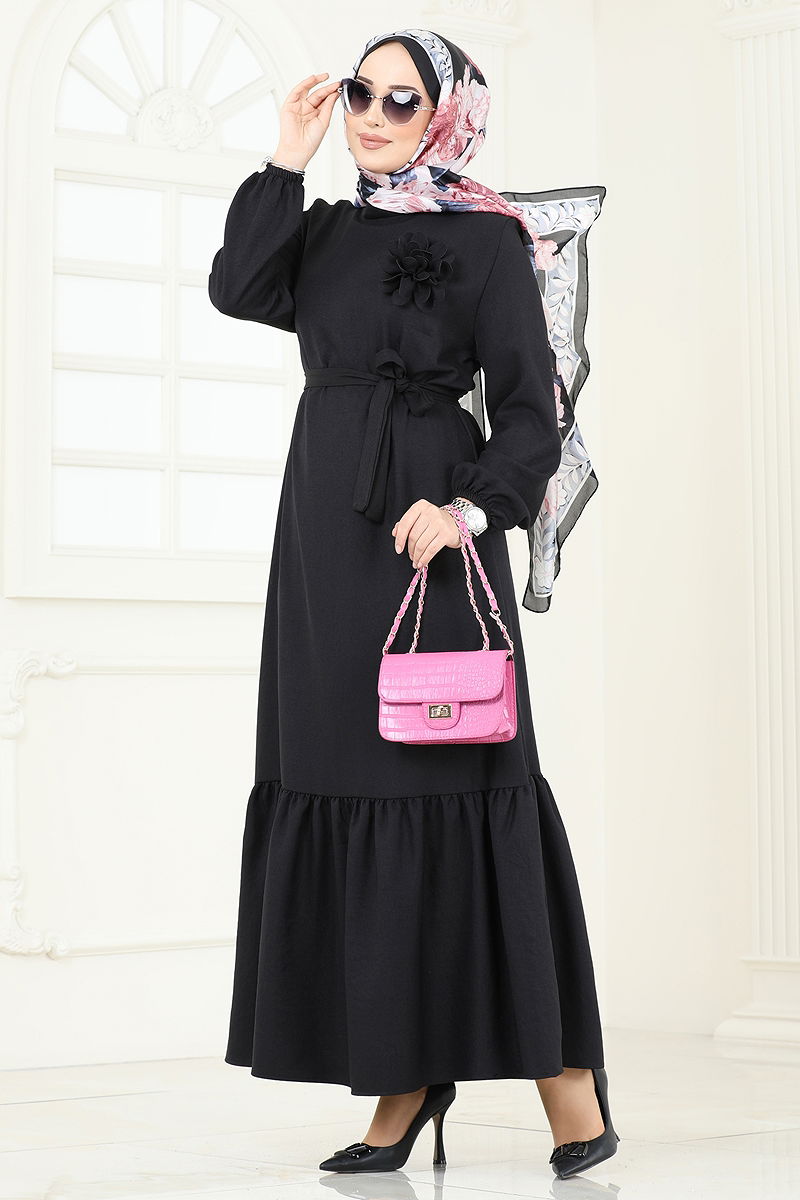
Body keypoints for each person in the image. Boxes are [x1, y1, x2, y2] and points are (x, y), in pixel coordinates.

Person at [208, 26, 618, 1182]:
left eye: (401, 99)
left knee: (462, 787)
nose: (372, 115)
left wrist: (471, 510)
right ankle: (402, 1081)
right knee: (347, 780)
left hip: (434, 538)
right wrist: (285, 159)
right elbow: (238, 289)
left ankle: (566, 1085)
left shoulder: (488, 242)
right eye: (359, 93)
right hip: (323, 546)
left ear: (445, 114)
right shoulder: (323, 230)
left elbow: (530, 412)